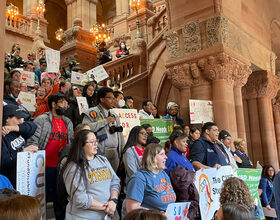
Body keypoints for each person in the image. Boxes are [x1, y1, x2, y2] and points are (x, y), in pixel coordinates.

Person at [26, 93, 74, 220]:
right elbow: (33, 141)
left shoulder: (68, 121)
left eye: (66, 103)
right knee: (42, 197)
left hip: (62, 166)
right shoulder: (41, 120)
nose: (66, 106)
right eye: (62, 102)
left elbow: (71, 142)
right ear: (53, 104)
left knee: (60, 199)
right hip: (44, 167)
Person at [63, 130, 120, 220]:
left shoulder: (103, 160)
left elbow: (115, 181)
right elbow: (80, 199)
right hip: (84, 216)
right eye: (92, 142)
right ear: (81, 145)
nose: (96, 144)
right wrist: (107, 207)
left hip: (107, 214)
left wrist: (113, 201)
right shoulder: (73, 167)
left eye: (96, 141)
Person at [82, 87, 125, 172]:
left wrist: (123, 153)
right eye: (110, 98)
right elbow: (85, 129)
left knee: (113, 180)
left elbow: (120, 135)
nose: (113, 100)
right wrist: (105, 121)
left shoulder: (114, 114)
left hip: (115, 151)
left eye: (114, 98)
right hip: (100, 151)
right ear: (102, 99)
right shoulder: (92, 112)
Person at [126, 143, 176, 213]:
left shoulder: (163, 174)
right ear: (152, 157)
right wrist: (157, 214)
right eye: (162, 154)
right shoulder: (139, 178)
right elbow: (132, 209)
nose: (166, 157)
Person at [1, 104, 38, 188]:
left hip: (24, 178)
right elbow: (4, 162)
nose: (21, 121)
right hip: (11, 182)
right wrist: (22, 153)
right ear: (7, 119)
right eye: (17, 118)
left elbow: (33, 126)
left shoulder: (18, 130)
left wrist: (13, 128)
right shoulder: (2, 138)